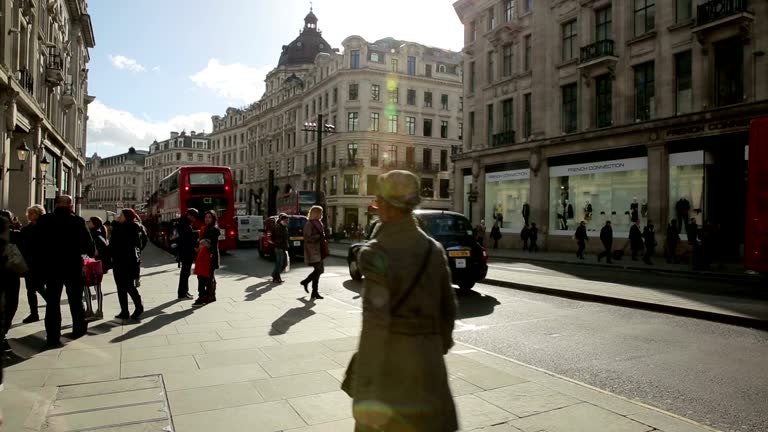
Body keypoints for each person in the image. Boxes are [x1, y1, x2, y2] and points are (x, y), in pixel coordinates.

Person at [347, 170, 458, 431]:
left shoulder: (375, 253)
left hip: (392, 371)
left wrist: (364, 389)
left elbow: (374, 328)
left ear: (386, 206)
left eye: (379, 202)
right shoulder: (434, 249)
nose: (377, 208)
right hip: (431, 368)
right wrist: (431, 346)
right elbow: (449, 310)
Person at [37, 195, 95, 347]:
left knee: (52, 303)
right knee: (76, 300)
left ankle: (52, 336)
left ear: (56, 204)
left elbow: (37, 245)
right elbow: (89, 247)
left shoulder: (45, 220)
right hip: (72, 267)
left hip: (51, 268)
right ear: (71, 205)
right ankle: (78, 329)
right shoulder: (77, 221)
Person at [109, 209, 146, 320]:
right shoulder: (132, 228)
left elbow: (113, 245)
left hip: (125, 261)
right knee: (121, 287)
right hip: (124, 261)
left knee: (128, 286)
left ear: (126, 217)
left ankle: (138, 307)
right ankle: (124, 311)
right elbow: (143, 242)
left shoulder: (127, 228)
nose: (119, 217)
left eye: (121, 215)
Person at [19, 205, 47, 324]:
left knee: (39, 287)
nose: (29, 216)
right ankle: (34, 313)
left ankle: (52, 303)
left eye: (32, 214)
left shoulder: (45, 228)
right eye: (29, 214)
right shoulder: (26, 229)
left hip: (41, 263)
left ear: (38, 214)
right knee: (31, 290)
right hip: (29, 263)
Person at [0, 210, 23, 352]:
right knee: (11, 303)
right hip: (10, 274)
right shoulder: (15, 235)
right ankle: (3, 331)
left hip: (8, 274)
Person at [192, 210, 221, 307]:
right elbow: (201, 241)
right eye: (206, 217)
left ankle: (203, 296)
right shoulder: (204, 228)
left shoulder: (214, 230)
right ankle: (208, 296)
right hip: (202, 256)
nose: (207, 219)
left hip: (209, 257)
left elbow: (208, 243)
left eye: (209, 217)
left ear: (213, 219)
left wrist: (201, 243)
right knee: (203, 277)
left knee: (204, 277)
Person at [300, 205, 329, 300]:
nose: (321, 214)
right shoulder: (309, 224)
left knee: (319, 271)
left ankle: (313, 291)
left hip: (319, 249)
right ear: (315, 213)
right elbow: (307, 238)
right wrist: (318, 236)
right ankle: (309, 285)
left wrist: (323, 236)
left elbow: (321, 235)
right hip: (312, 250)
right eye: (319, 212)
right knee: (319, 270)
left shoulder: (319, 223)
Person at [85, 216, 110, 320]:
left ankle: (92, 310)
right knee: (95, 288)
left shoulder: (94, 234)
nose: (88, 223)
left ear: (94, 224)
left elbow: (101, 250)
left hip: (92, 264)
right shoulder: (99, 233)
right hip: (96, 264)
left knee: (88, 287)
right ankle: (96, 310)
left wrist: (95, 253)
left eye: (89, 221)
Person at [175, 209, 200, 299]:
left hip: (185, 251)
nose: (194, 219)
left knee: (186, 272)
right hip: (186, 251)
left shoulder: (184, 222)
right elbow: (186, 237)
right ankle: (182, 293)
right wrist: (197, 232)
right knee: (185, 273)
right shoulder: (184, 223)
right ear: (190, 215)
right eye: (193, 217)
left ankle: (185, 291)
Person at [271, 213, 289, 283]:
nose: (287, 222)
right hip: (279, 247)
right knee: (280, 263)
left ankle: (275, 275)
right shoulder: (278, 227)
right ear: (281, 220)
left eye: (287, 221)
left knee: (284, 263)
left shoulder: (284, 227)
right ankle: (276, 277)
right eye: (286, 221)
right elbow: (278, 238)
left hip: (283, 247)